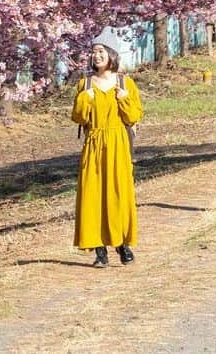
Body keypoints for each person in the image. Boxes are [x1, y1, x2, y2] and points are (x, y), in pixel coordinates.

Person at [71, 42, 144, 267]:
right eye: (94, 52)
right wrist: (87, 98)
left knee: (119, 193)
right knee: (92, 195)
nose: (97, 56)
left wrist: (124, 98)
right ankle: (99, 250)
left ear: (111, 55)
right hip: (94, 143)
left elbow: (134, 116)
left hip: (118, 143)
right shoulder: (85, 85)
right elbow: (78, 117)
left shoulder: (125, 83)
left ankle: (123, 244)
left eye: (101, 52)